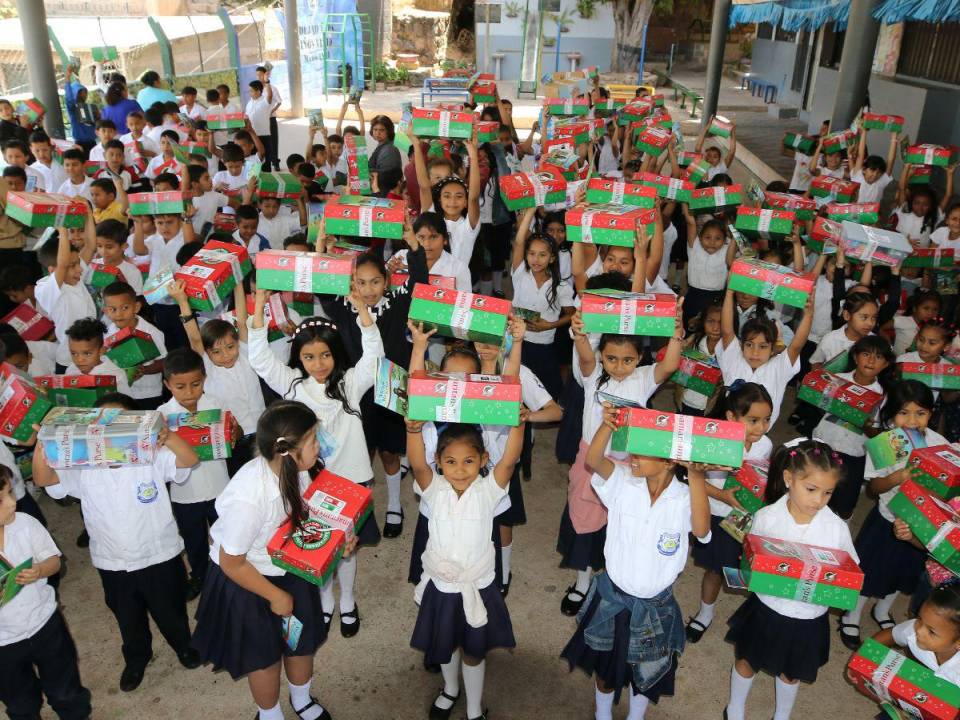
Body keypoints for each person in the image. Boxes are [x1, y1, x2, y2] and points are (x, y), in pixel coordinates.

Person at [32, 393, 202, 693]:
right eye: (103, 423)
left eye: (120, 422)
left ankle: (183, 645)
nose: (110, 429)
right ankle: (138, 656)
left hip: (159, 554)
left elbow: (189, 459)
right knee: (127, 615)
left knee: (170, 608)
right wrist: (43, 444)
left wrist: (169, 436)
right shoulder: (82, 462)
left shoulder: (151, 454)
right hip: (112, 560)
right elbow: (45, 481)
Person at [191, 401, 343, 720]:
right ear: (288, 451)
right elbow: (231, 561)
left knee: (299, 641)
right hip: (247, 579)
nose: (320, 445)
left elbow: (309, 513)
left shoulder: (298, 469)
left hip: (287, 563)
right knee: (264, 657)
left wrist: (339, 538)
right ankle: (270, 713)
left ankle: (301, 699)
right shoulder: (252, 497)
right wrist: (276, 595)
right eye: (313, 439)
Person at [560, 401, 710, 720]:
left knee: (645, 673)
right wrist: (607, 426)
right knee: (605, 669)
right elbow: (594, 459)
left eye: (641, 452)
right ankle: (603, 714)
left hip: (656, 605)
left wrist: (696, 475)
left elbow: (701, 528)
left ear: (670, 461)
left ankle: (635, 716)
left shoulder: (685, 497)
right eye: (632, 449)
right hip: (613, 599)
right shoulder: (623, 482)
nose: (632, 457)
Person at [248, 288, 384, 638]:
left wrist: (362, 314)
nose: (319, 363)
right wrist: (260, 307)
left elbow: (374, 355)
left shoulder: (351, 384)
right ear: (299, 358)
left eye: (325, 355)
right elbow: (260, 359)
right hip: (311, 486)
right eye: (309, 357)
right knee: (320, 545)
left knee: (348, 549)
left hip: (353, 483)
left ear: (336, 354)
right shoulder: (293, 386)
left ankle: (349, 601)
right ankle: (325, 603)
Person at [558, 301, 685, 616]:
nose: (618, 366)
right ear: (603, 356)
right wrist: (579, 333)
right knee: (584, 521)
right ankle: (582, 582)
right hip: (592, 458)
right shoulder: (594, 376)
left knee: (621, 524)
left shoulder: (643, 378)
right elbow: (585, 355)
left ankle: (611, 576)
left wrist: (676, 333)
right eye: (612, 358)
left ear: (639, 358)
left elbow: (669, 366)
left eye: (627, 359)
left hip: (630, 464)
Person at [724, 440, 853, 720]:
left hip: (807, 616)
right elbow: (752, 556)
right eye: (811, 489)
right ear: (788, 479)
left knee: (790, 672)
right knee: (747, 659)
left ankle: (782, 715)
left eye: (828, 493)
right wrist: (748, 571)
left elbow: (850, 571)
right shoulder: (766, 517)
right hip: (767, 607)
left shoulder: (837, 529)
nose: (818, 500)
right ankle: (735, 708)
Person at [406, 417, 525, 720]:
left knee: (474, 651)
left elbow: (509, 461)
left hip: (478, 588)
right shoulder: (433, 490)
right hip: (442, 588)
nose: (460, 469)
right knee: (446, 644)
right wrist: (413, 430)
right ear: (439, 462)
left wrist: (518, 424)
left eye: (469, 461)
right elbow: (418, 466)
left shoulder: (488, 491)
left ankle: (473, 708)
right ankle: (450, 688)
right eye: (451, 461)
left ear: (484, 460)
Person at [838, 380, 947, 648]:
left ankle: (882, 610)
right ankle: (851, 614)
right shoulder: (888, 443)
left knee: (904, 574)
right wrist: (898, 476)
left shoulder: (938, 444)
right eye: (903, 413)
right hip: (888, 520)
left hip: (922, 527)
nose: (911, 421)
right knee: (871, 571)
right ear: (890, 416)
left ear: (931, 414)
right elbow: (873, 489)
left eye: (920, 413)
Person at [0, 466, 92, 719]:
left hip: (44, 623)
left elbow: (54, 562)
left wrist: (40, 570)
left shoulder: (26, 524)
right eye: (2, 498)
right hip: (4, 643)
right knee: (20, 703)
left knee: (66, 690)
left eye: (11, 493)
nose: (12, 502)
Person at [686, 382, 773, 644]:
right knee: (714, 568)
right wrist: (723, 495)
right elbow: (694, 477)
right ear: (731, 417)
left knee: (741, 565)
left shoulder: (765, 445)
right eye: (753, 420)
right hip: (716, 511)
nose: (761, 428)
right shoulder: (714, 442)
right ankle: (705, 613)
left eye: (766, 420)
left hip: (744, 515)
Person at [157, 348, 233, 599]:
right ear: (167, 384)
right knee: (194, 540)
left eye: (196, 384)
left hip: (219, 486)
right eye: (180, 386)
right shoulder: (161, 417)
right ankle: (200, 575)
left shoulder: (216, 405)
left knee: (227, 533)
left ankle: (232, 572)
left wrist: (235, 433)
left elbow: (235, 433)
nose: (189, 393)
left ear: (204, 379)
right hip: (184, 493)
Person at [812, 335, 894, 519]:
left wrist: (866, 426)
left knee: (844, 505)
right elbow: (819, 407)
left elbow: (881, 436)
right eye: (866, 354)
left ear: (886, 364)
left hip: (854, 455)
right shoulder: (837, 379)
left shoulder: (884, 396)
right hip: (822, 445)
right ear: (856, 357)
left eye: (878, 357)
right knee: (811, 489)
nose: (871, 360)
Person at [510, 208, 575, 399]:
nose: (536, 259)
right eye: (531, 254)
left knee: (547, 390)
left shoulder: (560, 286)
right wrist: (530, 211)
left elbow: (572, 314)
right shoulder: (520, 274)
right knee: (517, 387)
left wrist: (550, 325)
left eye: (542, 255)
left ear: (552, 258)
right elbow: (520, 241)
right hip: (517, 341)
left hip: (544, 345)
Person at [34, 225, 98, 373]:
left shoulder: (76, 279)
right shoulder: (45, 289)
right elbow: (62, 264)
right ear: (52, 270)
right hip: (69, 361)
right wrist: (62, 231)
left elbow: (90, 246)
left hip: (93, 351)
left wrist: (88, 212)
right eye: (73, 265)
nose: (80, 268)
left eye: (78, 263)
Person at [63, 65, 97, 154]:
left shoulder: (90, 107)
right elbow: (68, 98)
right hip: (80, 144)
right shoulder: (73, 108)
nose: (84, 94)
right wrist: (67, 78)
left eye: (85, 92)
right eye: (80, 92)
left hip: (93, 143)